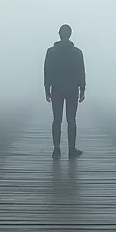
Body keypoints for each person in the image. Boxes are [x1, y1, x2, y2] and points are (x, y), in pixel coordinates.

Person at [43, 24, 86, 159]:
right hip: (72, 89)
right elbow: (81, 71)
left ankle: (56, 149)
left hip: (57, 88)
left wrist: (47, 88)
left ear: (59, 34)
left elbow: (47, 70)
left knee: (57, 119)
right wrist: (82, 88)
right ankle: (71, 148)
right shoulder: (77, 52)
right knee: (71, 119)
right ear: (70, 34)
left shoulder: (51, 51)